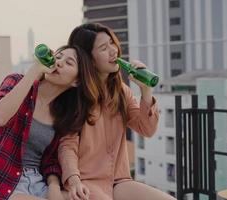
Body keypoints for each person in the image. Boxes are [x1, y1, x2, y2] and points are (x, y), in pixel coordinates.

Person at [58, 23, 176, 200]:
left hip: (119, 180)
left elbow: (147, 129)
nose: (114, 51)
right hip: (86, 180)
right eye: (104, 48)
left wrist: (145, 90)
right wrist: (74, 181)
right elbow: (67, 145)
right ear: (89, 58)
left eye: (112, 43)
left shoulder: (121, 90)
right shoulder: (75, 93)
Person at [0, 45, 93, 200]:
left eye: (69, 63)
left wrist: (54, 187)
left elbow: (51, 161)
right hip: (4, 183)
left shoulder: (63, 115)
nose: (59, 62)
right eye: (58, 56)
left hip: (38, 182)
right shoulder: (17, 81)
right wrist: (35, 70)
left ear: (76, 81)